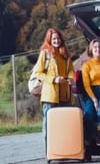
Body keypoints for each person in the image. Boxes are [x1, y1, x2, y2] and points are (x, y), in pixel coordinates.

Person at [34, 28, 75, 157]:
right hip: (50, 97)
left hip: (66, 96)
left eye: (58, 38)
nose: (56, 41)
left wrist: (70, 78)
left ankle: (64, 152)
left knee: (65, 127)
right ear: (49, 41)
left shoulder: (65, 54)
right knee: (49, 127)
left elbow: (71, 70)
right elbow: (38, 73)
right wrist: (53, 79)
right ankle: (50, 153)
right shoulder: (45, 54)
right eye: (54, 39)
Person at [81, 39, 100, 160]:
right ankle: (87, 147)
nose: (98, 49)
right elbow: (86, 84)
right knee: (89, 115)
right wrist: (94, 100)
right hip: (90, 92)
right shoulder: (86, 65)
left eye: (99, 47)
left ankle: (98, 135)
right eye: (95, 47)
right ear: (91, 49)